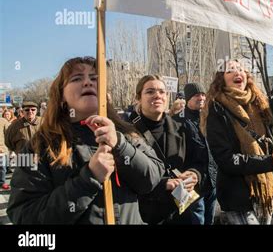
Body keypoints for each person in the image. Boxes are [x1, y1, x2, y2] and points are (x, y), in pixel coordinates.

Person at [7, 57, 165, 224]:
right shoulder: (40, 145)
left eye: (95, 78)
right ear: (61, 96)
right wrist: (89, 179)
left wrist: (121, 145)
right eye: (77, 78)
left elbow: (152, 178)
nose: (88, 82)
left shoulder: (125, 132)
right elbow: (24, 215)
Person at [201, 49, 273, 225]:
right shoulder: (216, 111)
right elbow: (226, 159)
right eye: (230, 70)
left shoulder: (261, 103)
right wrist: (269, 162)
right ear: (221, 79)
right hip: (237, 195)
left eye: (240, 69)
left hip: (265, 191)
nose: (237, 72)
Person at [132, 75, 202, 224]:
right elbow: (127, 176)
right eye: (150, 91)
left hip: (180, 213)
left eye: (162, 92)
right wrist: (162, 184)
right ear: (138, 98)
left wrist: (195, 174)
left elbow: (198, 162)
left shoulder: (181, 129)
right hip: (144, 215)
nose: (157, 95)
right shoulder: (128, 133)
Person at [173, 83, 217, 225]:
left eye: (203, 94)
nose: (202, 97)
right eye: (197, 95)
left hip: (212, 179)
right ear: (188, 98)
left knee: (210, 217)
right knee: (197, 218)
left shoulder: (209, 117)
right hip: (193, 182)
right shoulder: (178, 121)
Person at [0, 115, 11, 190]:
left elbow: (8, 134)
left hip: (1, 148)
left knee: (2, 167)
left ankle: (2, 182)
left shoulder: (3, 121)